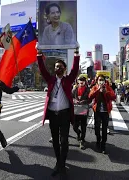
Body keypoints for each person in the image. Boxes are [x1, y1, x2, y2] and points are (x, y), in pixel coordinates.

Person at [37, 49, 80, 178]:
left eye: (60, 67)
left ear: (64, 69)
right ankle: (59, 163)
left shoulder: (69, 79)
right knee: (55, 141)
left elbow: (75, 69)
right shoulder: (50, 80)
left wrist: (76, 54)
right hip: (53, 115)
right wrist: (39, 55)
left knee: (64, 141)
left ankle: (61, 165)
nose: (58, 68)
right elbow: (42, 69)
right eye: (56, 67)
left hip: (65, 115)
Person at [89, 75, 116, 154]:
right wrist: (98, 90)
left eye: (102, 80)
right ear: (97, 81)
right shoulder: (95, 87)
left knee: (104, 128)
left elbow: (113, 97)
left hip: (105, 111)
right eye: (99, 80)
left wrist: (106, 92)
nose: (101, 81)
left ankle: (103, 145)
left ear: (105, 81)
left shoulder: (108, 87)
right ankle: (98, 139)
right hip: (97, 111)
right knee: (97, 128)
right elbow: (90, 96)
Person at [72, 76, 90, 150]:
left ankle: (82, 139)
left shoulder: (88, 89)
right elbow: (71, 97)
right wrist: (74, 100)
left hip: (84, 109)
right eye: (80, 80)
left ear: (85, 82)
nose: (81, 82)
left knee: (83, 125)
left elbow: (90, 99)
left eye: (83, 80)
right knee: (74, 126)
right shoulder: (74, 89)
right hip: (76, 109)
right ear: (77, 81)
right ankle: (78, 132)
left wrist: (84, 101)